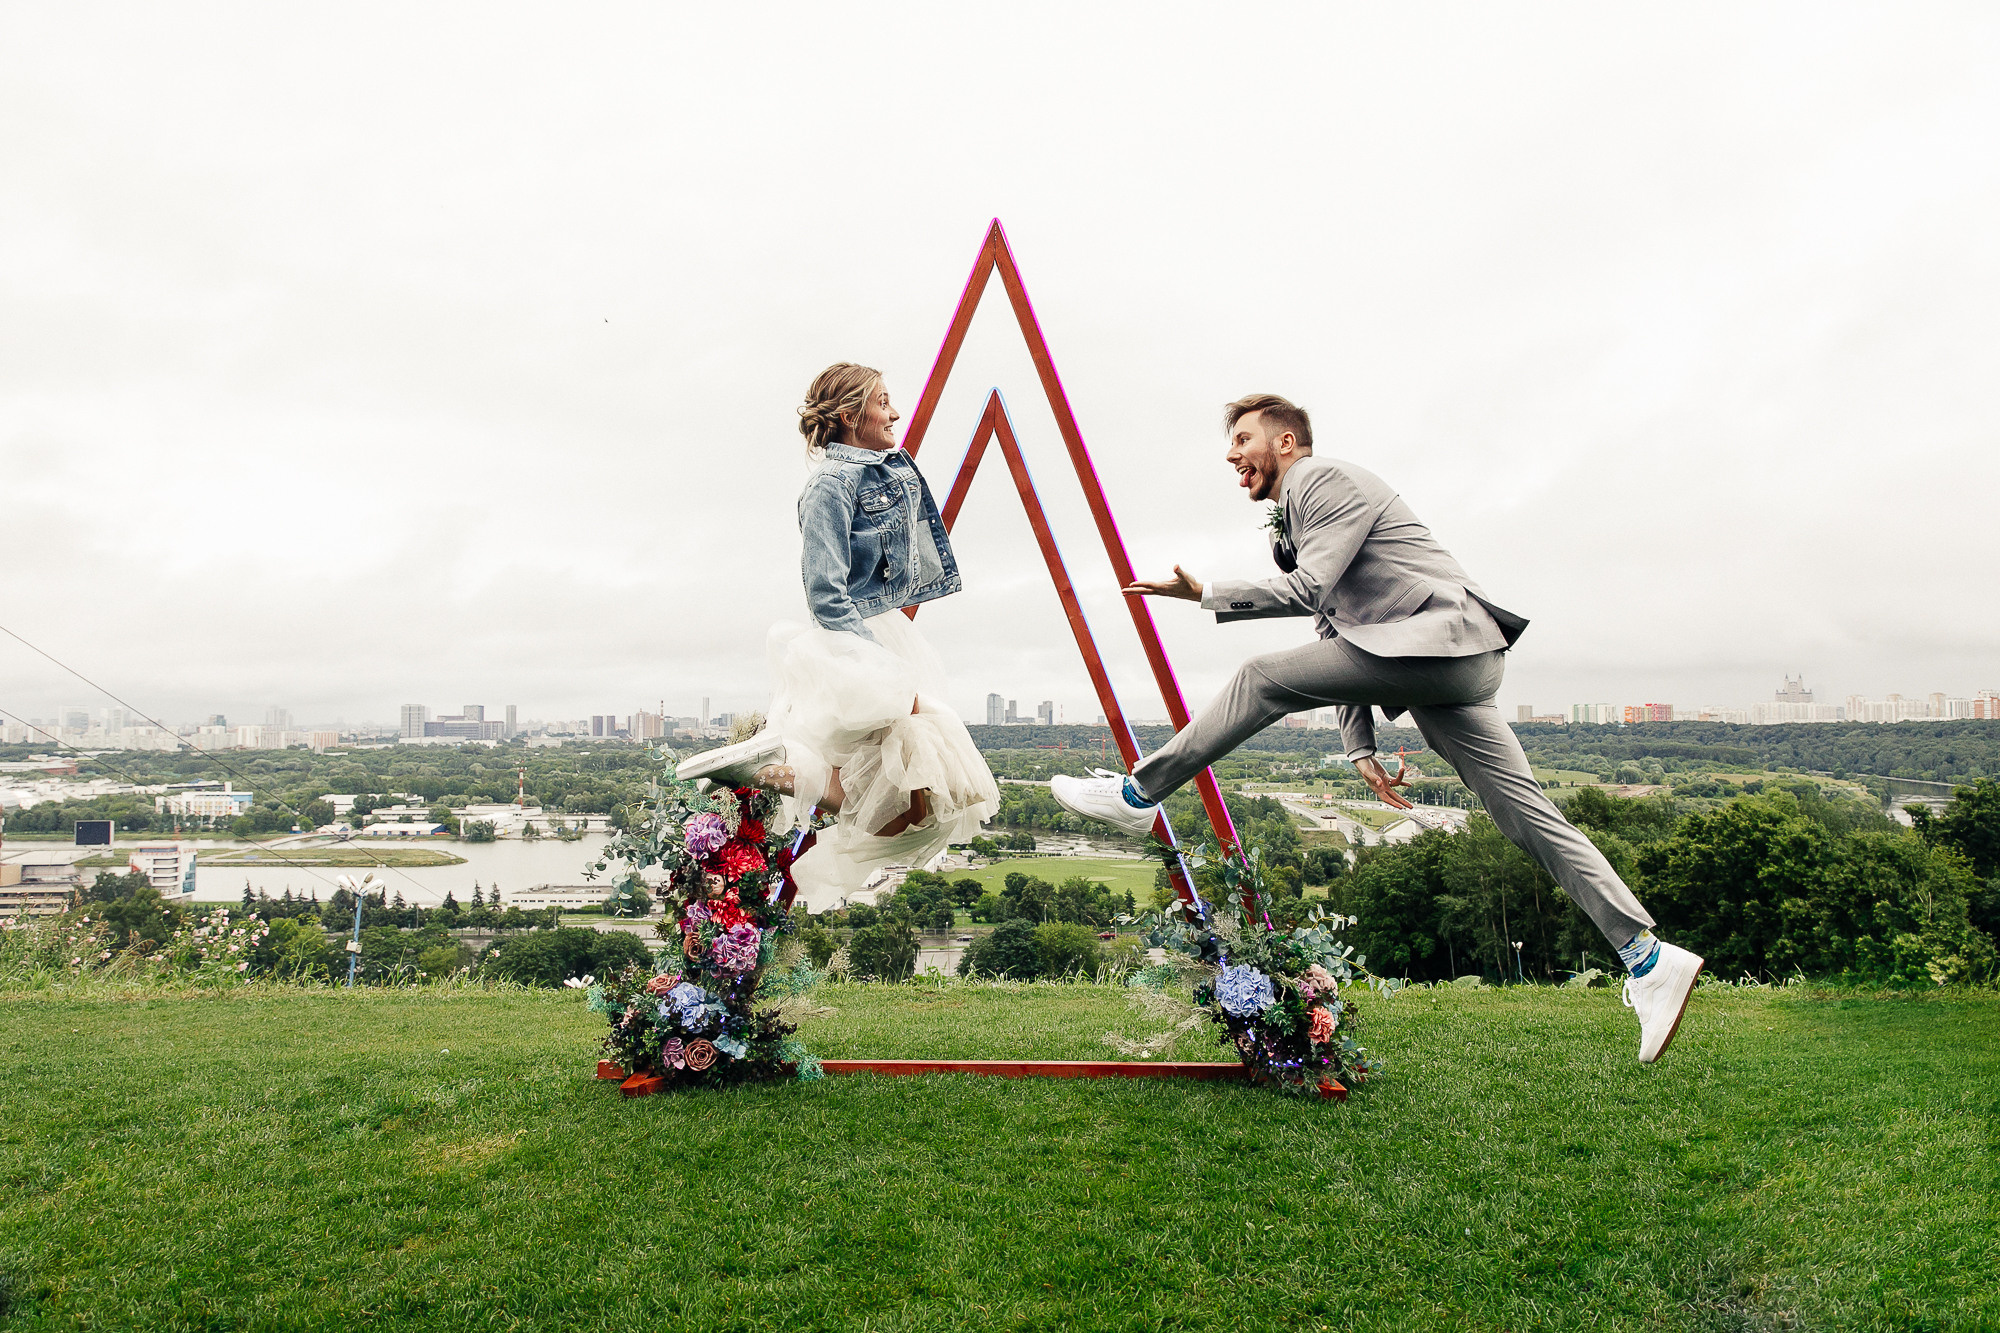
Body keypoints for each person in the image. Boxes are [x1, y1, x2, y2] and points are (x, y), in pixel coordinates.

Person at [1049, 393, 1703, 1062]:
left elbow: (1310, 591)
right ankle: (1647, 957)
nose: (1231, 452)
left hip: (1443, 648)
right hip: (1449, 662)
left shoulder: (1319, 480)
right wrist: (1358, 744)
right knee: (1525, 814)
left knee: (1260, 678)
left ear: (1285, 442)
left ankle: (1138, 796)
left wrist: (1208, 592)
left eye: (1244, 437)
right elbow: (1336, 627)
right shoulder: (1304, 508)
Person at [676, 363, 998, 911]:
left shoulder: (879, 470)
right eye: (883, 403)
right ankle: (770, 767)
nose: (895, 413)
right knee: (934, 785)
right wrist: (873, 667)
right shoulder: (829, 485)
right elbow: (823, 591)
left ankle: (769, 768)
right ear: (851, 416)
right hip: (854, 641)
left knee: (918, 805)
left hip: (884, 633)